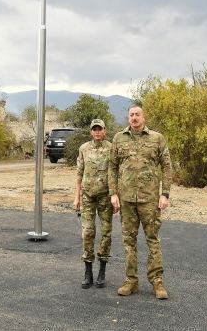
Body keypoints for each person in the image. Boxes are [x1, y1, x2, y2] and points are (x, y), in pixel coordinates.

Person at [109, 104, 172, 299]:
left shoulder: (156, 138)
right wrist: (113, 194)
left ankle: (157, 282)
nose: (134, 118)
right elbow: (112, 167)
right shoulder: (119, 138)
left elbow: (167, 167)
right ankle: (131, 281)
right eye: (131, 115)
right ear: (128, 118)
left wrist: (165, 194)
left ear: (143, 117)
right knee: (129, 241)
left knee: (153, 239)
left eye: (137, 114)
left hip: (150, 199)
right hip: (126, 199)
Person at [73, 119, 113, 289]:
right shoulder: (84, 149)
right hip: (88, 197)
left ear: (105, 131)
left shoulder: (111, 148)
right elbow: (79, 173)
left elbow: (115, 173)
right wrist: (76, 197)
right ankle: (88, 271)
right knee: (88, 232)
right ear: (90, 132)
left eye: (100, 129)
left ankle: (102, 271)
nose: (97, 132)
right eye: (94, 129)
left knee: (106, 234)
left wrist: (114, 196)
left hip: (105, 197)